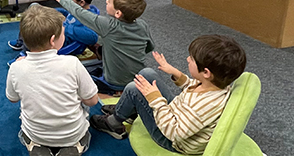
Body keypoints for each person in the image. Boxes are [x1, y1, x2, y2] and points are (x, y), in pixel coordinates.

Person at [89, 35, 246, 155]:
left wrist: (155, 99)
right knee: (147, 73)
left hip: (172, 139)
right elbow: (193, 86)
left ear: (206, 72)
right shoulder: (216, 86)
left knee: (134, 88)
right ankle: (128, 110)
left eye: (192, 59)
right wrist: (176, 73)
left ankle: (114, 123)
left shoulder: (203, 107)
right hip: (176, 113)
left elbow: (174, 133)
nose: (187, 59)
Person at [5, 6, 99, 156]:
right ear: (53, 40)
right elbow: (92, 101)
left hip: (36, 133)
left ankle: (35, 143)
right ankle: (75, 145)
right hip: (72, 133)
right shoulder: (72, 63)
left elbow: (12, 99)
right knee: (84, 99)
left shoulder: (16, 68)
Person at [43, 0, 154, 94]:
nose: (106, 1)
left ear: (118, 13)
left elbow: (78, 12)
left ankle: (114, 90)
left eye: (109, 1)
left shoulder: (107, 26)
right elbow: (149, 47)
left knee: (72, 78)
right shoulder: (143, 25)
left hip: (113, 82)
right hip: (138, 79)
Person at [7, 0, 99, 65]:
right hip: (58, 29)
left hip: (61, 41)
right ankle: (22, 41)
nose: (67, 1)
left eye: (70, 0)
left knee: (36, 27)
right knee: (34, 8)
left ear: (82, 2)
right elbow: (69, 16)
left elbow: (92, 38)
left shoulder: (90, 18)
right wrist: (54, 12)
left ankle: (26, 52)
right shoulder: (77, 9)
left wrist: (65, 28)